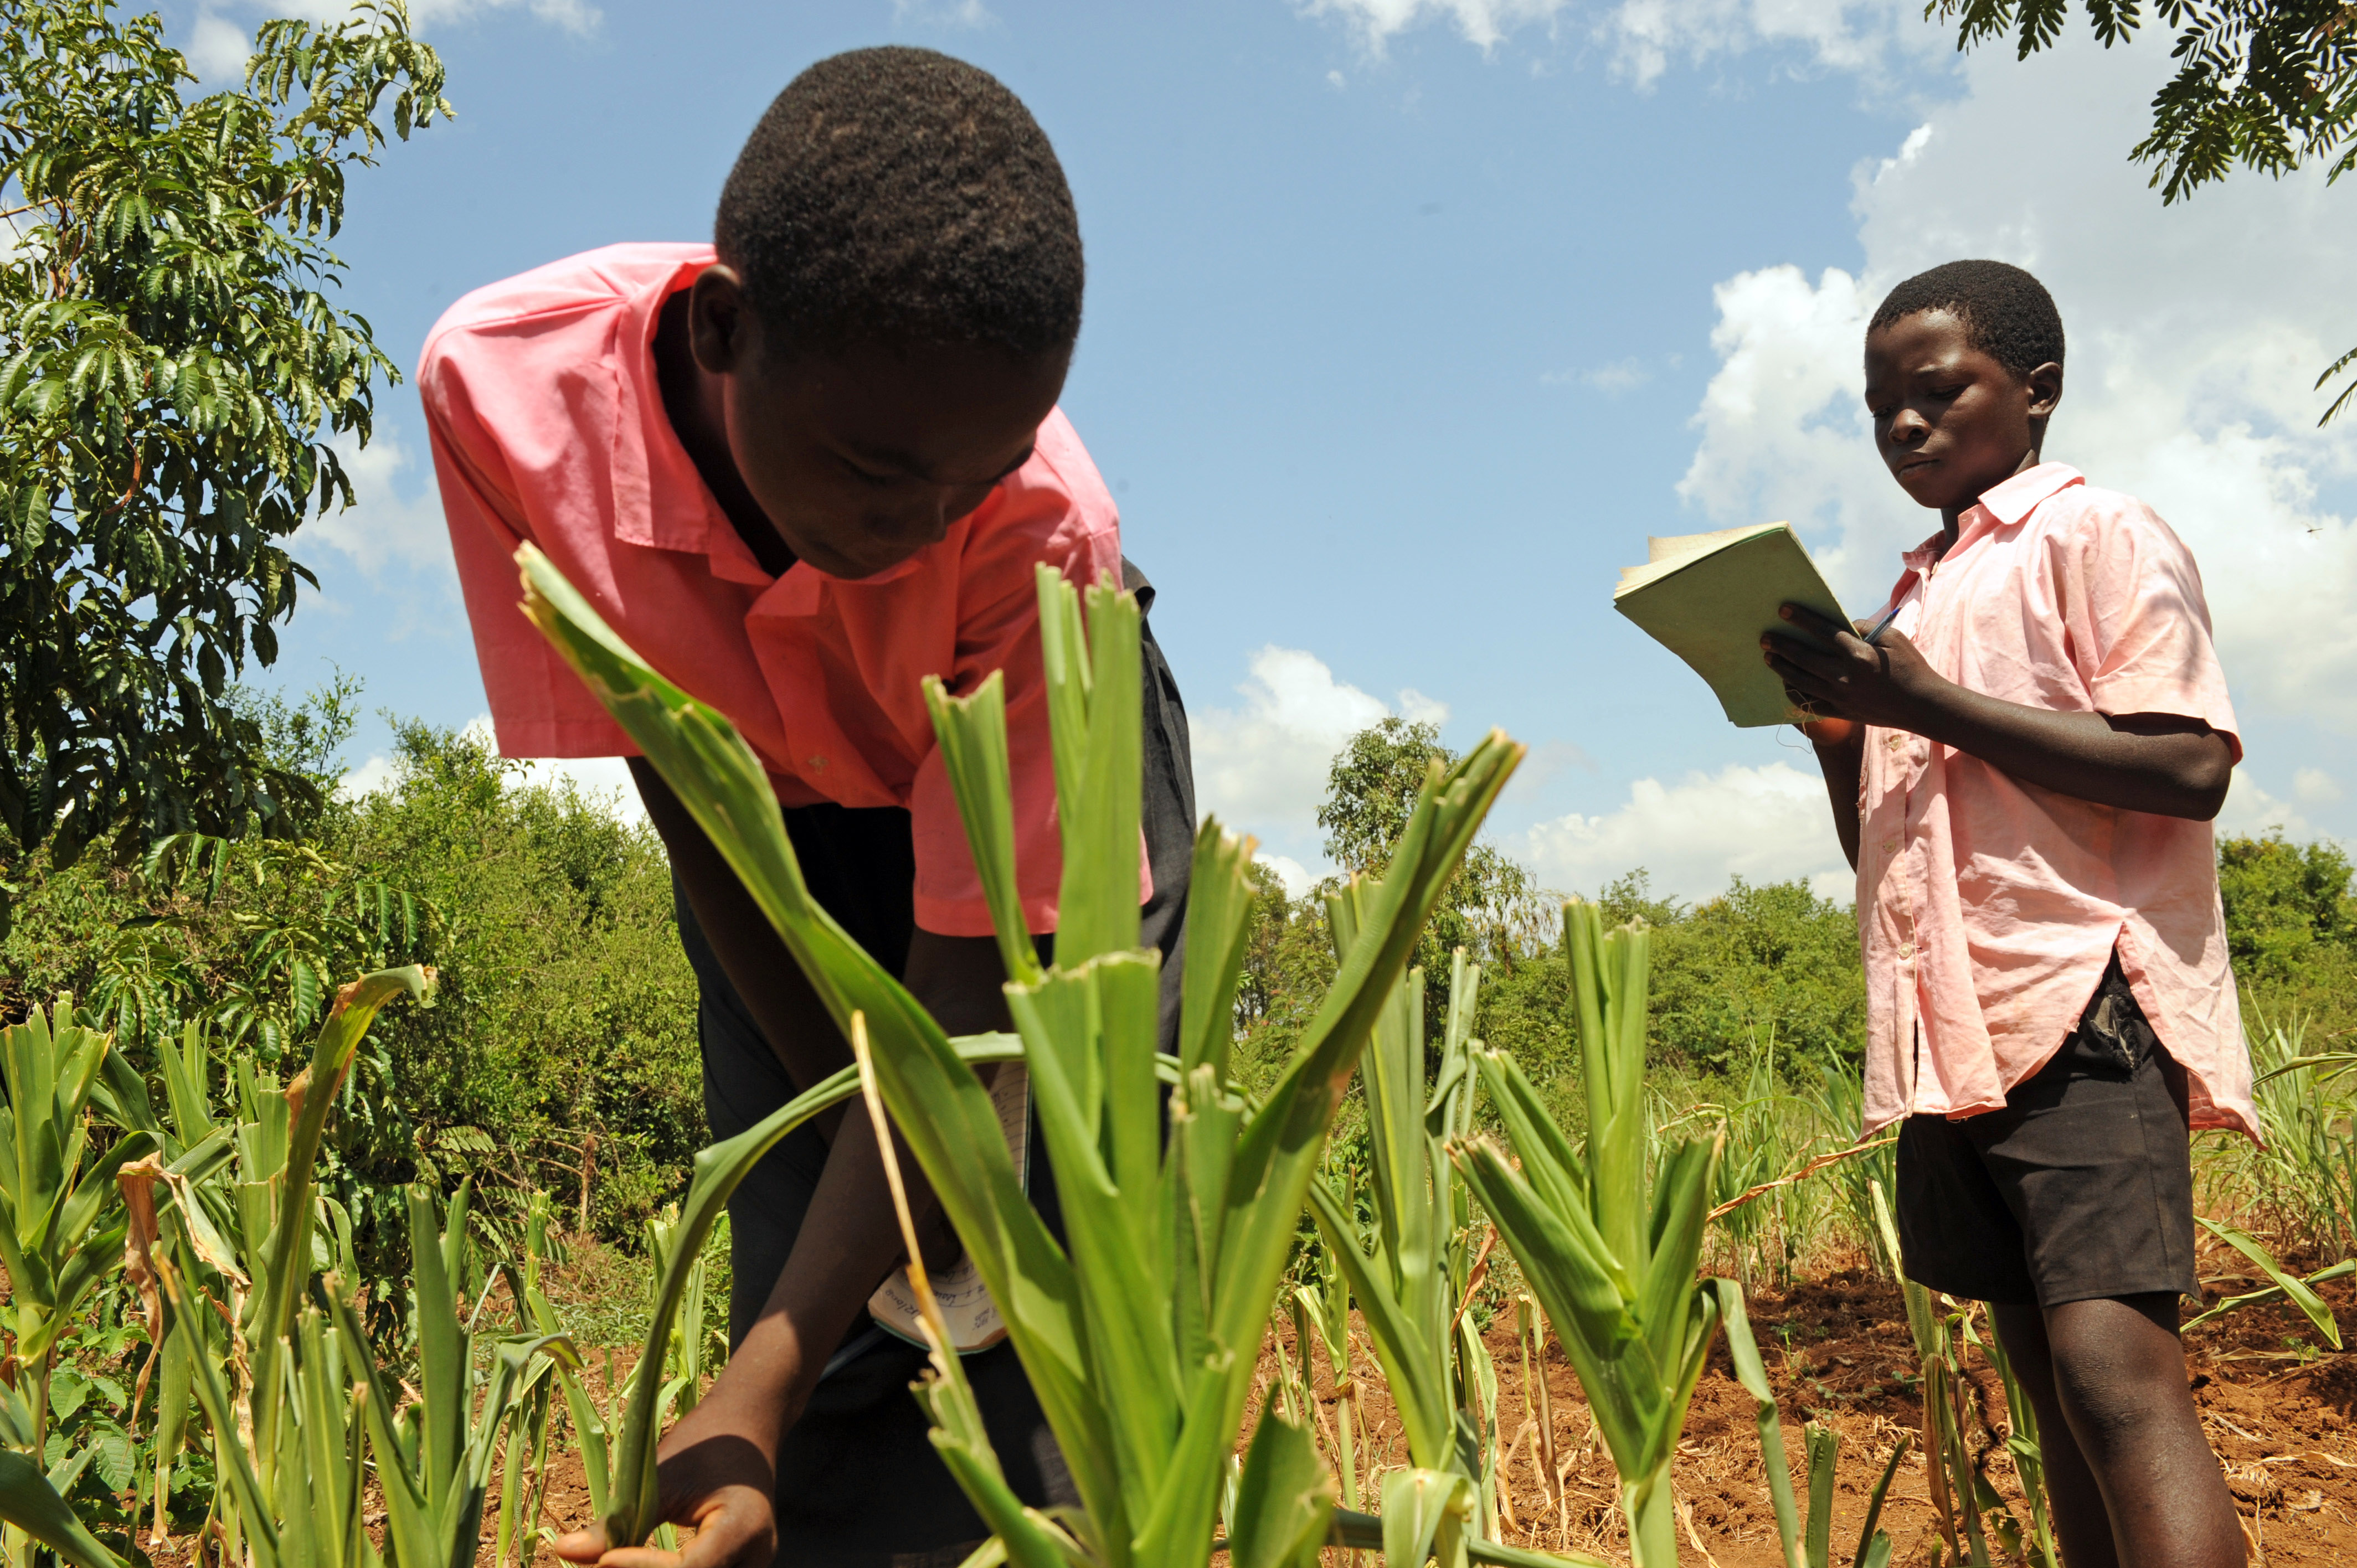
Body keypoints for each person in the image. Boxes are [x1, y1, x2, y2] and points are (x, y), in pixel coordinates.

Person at [420, 47, 1196, 1568]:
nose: (923, 531)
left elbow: (967, 1003)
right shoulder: (502, 399)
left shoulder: (1040, 538)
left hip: (1029, 785)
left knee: (1046, 1287)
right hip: (768, 817)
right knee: (811, 1249)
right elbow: (677, 772)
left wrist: (820, 1313)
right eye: (879, 474)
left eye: (972, 480)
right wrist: (817, 1197)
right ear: (722, 330)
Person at [1763, 260, 2252, 1568]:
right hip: (1955, 1033)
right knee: (2048, 1381)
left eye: (1936, 393)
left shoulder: (2097, 535)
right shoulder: (1913, 595)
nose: (1904, 428)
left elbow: (2189, 765)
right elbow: (1897, 850)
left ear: (2034, 393)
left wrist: (1918, 705)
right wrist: (1836, 739)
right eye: (1881, 410)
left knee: (2114, 1375)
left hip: (2082, 1000)